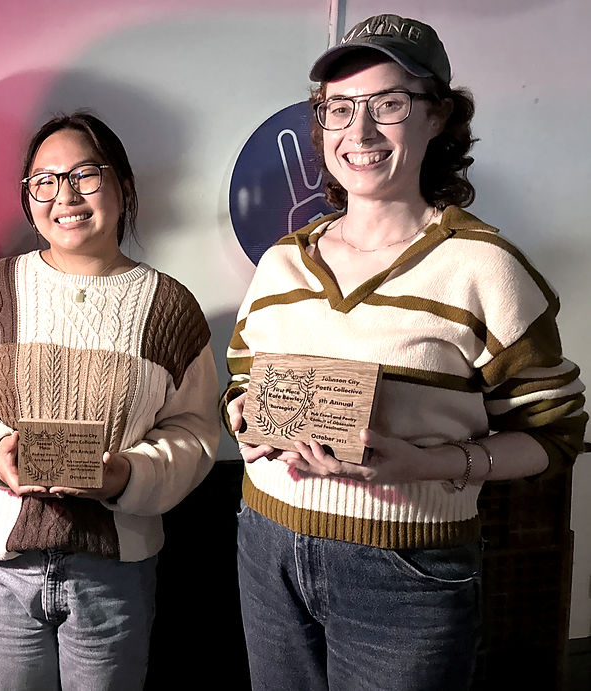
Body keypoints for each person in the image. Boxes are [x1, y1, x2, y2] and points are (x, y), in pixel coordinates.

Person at [224, 14, 587, 690]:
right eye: (339, 109)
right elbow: (241, 383)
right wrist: (242, 420)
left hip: (405, 568)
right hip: (267, 542)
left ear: (438, 118)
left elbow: (555, 433)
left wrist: (431, 462)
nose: (358, 132)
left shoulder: (486, 266)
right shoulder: (282, 262)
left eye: (388, 104)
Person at [0, 111, 219, 690]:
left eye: (86, 175)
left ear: (123, 186)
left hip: (114, 570)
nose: (65, 195)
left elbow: (194, 430)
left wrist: (127, 476)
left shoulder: (170, 307)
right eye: (45, 180)